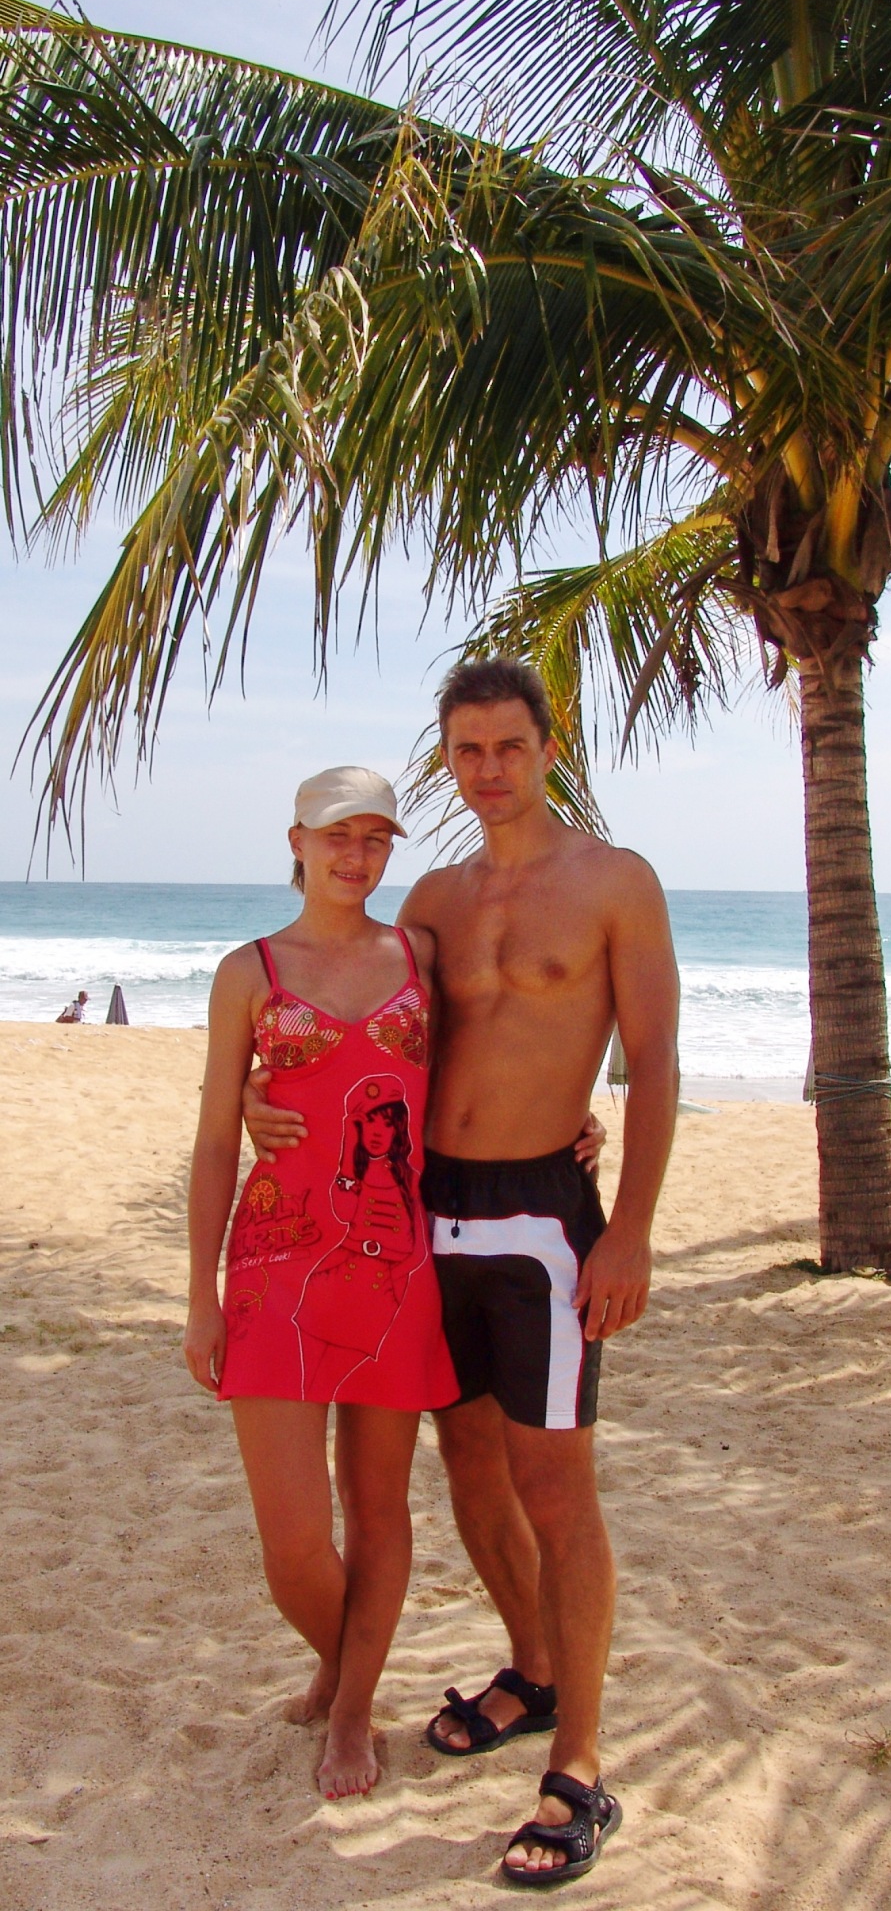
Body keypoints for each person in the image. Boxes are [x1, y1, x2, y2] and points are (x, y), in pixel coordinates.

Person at [244, 659, 680, 1886]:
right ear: (448, 759)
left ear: (549, 747)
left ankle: (579, 1764)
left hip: (543, 1219)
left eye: (508, 745)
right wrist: (260, 1092)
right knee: (470, 1468)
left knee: (556, 1485)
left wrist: (630, 1227)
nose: (488, 768)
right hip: (425, 1214)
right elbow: (352, 1006)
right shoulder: (431, 899)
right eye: (466, 749)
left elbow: (653, 1059)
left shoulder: (614, 882)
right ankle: (532, 1671)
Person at [184, 766, 460, 1802]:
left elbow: (504, 1047)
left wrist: (573, 1117)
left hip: (400, 1264)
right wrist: (200, 1293)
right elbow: (218, 1138)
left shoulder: (419, 956)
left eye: (377, 838)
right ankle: (347, 1667)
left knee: (377, 1508)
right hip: (271, 1261)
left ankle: (350, 1708)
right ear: (296, 841)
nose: (357, 855)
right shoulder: (248, 972)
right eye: (338, 835)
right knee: (294, 1539)